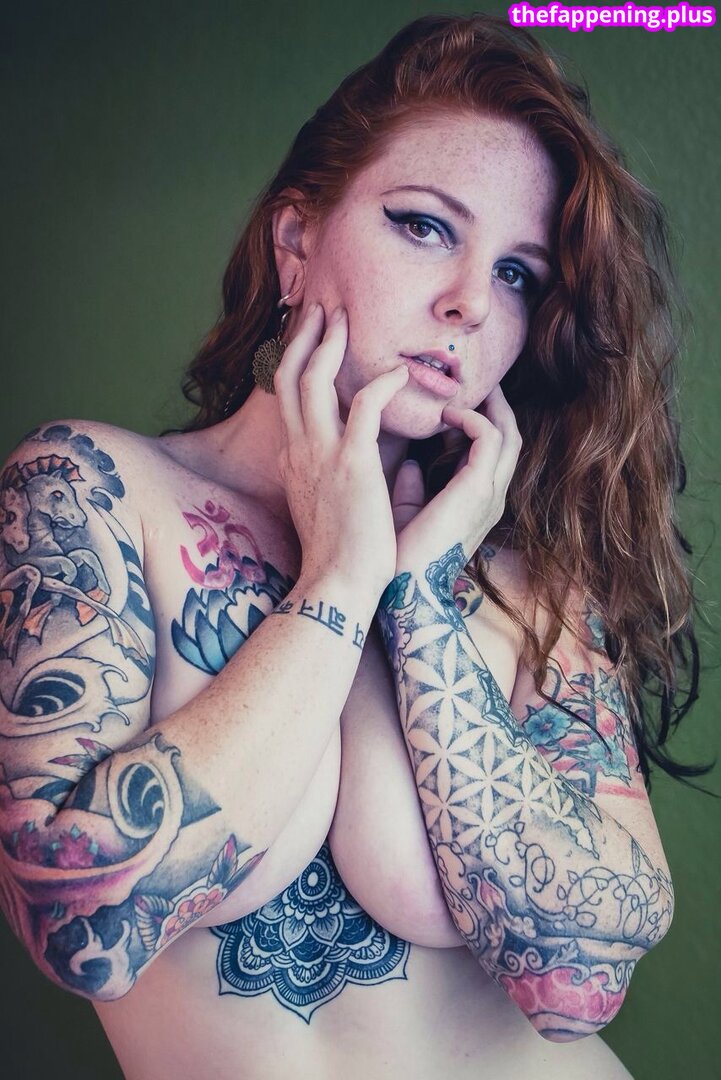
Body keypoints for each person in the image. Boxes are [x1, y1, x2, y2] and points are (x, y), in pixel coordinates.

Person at [0, 12, 709, 1079]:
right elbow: (81, 925)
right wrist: (337, 581)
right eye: (423, 225)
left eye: (517, 274)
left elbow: (582, 980)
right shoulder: (94, 492)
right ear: (295, 242)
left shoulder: (529, 584)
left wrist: (414, 594)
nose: (469, 302)